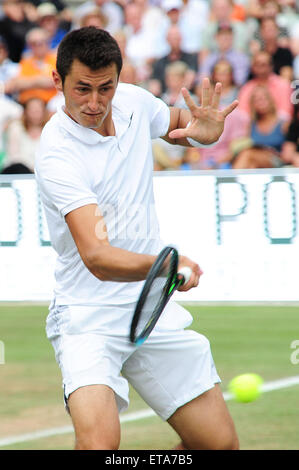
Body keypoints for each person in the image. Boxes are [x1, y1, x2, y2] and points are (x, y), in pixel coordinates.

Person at [35, 26, 239, 451]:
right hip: (87, 316)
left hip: (151, 305)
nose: (94, 102)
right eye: (82, 89)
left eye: (105, 87)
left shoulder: (133, 102)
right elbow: (97, 256)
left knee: (218, 446)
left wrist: (203, 131)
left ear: (118, 79)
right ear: (59, 82)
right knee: (99, 447)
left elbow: (179, 121)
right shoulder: (56, 154)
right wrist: (167, 266)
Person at [231, 84, 288, 169]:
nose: (260, 102)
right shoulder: (251, 124)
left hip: (277, 161)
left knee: (247, 155)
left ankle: (234, 180)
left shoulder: (283, 122)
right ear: (253, 105)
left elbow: (288, 149)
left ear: (270, 99)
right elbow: (247, 144)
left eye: (263, 98)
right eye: (256, 100)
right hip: (256, 159)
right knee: (251, 165)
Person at [4, 27, 58, 104]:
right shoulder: (26, 61)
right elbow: (15, 84)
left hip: (50, 104)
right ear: (29, 45)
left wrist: (29, 82)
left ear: (48, 42)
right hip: (26, 103)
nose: (38, 46)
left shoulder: (56, 60)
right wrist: (40, 81)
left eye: (41, 42)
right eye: (34, 43)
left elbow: (55, 82)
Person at [237, 50, 293, 121]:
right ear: (252, 67)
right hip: (252, 128)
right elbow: (242, 115)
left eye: (264, 65)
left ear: (271, 66)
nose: (261, 69)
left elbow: (286, 114)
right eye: (257, 65)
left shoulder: (284, 85)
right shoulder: (246, 88)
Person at [2, 96, 49, 173]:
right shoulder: (15, 128)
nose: (35, 113)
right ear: (25, 111)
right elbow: (13, 157)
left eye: (38, 110)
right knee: (18, 167)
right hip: (18, 172)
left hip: (43, 173)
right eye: (32, 110)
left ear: (44, 111)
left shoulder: (50, 130)